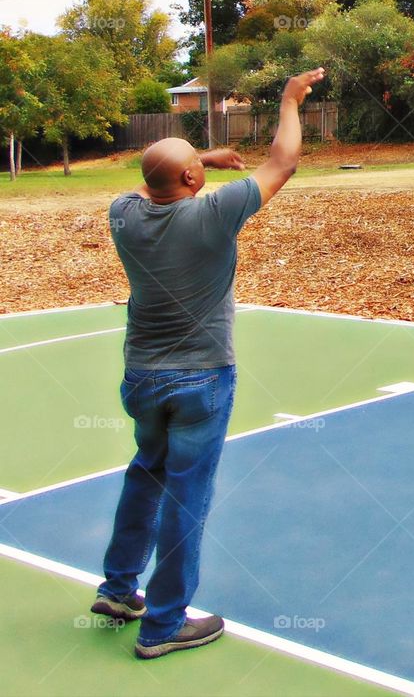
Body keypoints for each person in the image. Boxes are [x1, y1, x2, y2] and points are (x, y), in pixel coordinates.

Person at [90, 68, 325, 660]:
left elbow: (152, 181)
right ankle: (164, 624)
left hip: (141, 377)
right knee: (187, 495)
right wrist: (289, 100)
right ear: (193, 178)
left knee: (148, 472)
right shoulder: (213, 214)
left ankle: (119, 590)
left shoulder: (122, 215)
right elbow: (282, 163)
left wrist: (200, 158)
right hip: (201, 381)